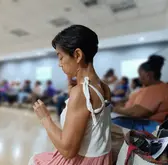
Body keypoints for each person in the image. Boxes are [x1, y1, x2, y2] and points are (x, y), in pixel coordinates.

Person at [29, 25, 112, 165]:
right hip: (102, 159)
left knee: (34, 160)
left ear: (78, 55)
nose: (59, 64)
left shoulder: (81, 92)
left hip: (84, 161)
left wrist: (45, 118)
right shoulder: (103, 86)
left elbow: (68, 151)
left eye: (60, 57)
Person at [113, 55, 168, 132]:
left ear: (148, 75)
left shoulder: (154, 89)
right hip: (156, 125)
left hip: (154, 127)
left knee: (113, 124)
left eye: (140, 75)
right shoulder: (161, 87)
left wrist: (115, 109)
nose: (139, 78)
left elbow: (136, 112)